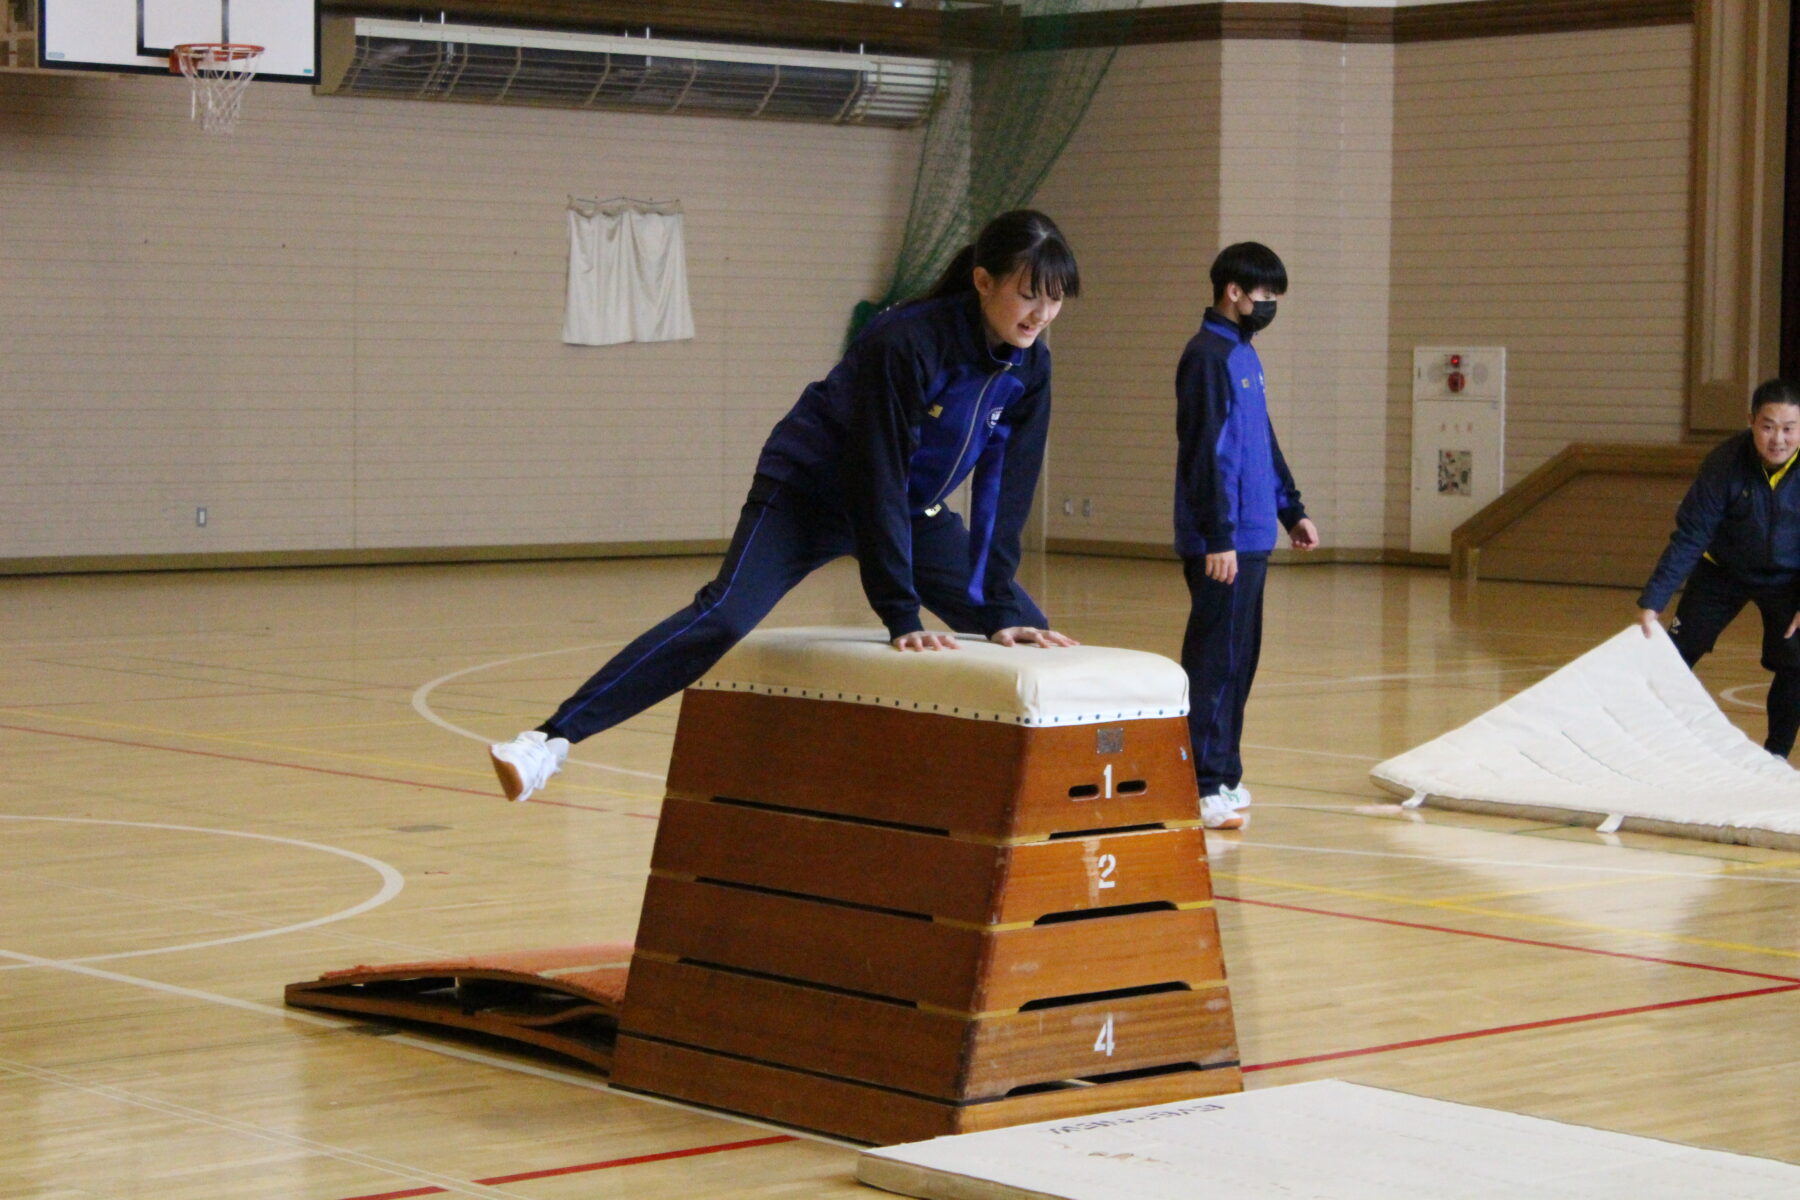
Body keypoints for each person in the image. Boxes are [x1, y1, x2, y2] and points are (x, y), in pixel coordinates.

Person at [489, 210, 1082, 801]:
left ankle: (975, 804)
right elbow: (876, 471)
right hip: (809, 493)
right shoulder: (905, 341)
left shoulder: (1031, 367)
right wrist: (901, 613)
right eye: (1029, 296)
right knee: (722, 615)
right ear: (983, 282)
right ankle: (548, 742)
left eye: (1054, 301)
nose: (1042, 315)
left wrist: (998, 600)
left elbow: (1007, 489)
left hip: (910, 510)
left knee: (1028, 635)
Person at [1173, 242, 1320, 831]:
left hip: (1254, 532)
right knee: (1214, 659)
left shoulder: (1244, 356)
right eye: (1265, 298)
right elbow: (1203, 453)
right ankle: (1199, 782)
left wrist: (1292, 509)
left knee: (1242, 658)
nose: (1269, 308)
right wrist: (1216, 535)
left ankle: (1225, 773)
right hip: (1223, 539)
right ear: (1234, 292)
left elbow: (1261, 441)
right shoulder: (1206, 356)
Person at [1637, 378, 1800, 759]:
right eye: (1768, 426)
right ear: (1751, 421)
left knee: (1797, 661)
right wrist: (1654, 601)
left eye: (1789, 428)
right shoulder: (1724, 463)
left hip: (1789, 579)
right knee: (1673, 654)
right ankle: (1652, 746)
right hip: (1722, 572)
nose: (1778, 438)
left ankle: (1775, 756)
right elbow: (1692, 535)